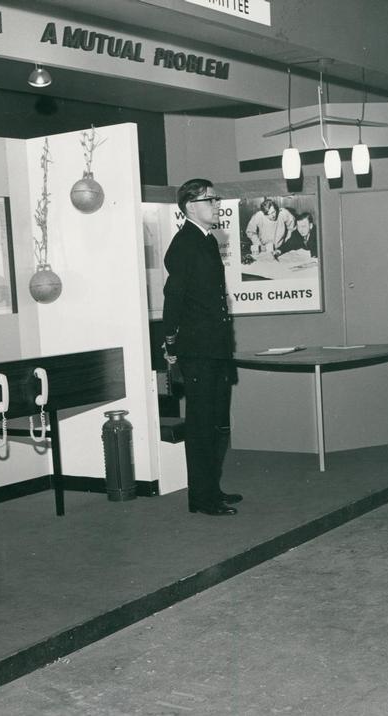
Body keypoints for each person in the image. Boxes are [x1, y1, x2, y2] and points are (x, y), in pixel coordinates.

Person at [162, 178, 242, 516]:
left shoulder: (205, 240)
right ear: (191, 206)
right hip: (198, 350)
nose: (216, 205)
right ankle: (203, 499)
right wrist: (170, 341)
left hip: (214, 348)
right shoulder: (185, 244)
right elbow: (173, 297)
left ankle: (211, 489)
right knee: (201, 425)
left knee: (214, 423)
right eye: (210, 200)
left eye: (216, 199)